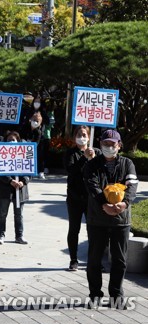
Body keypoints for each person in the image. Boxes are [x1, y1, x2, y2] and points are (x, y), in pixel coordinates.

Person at [83, 129, 138, 309]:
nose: (108, 147)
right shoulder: (92, 165)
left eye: (112, 144)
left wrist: (125, 203)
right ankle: (95, 295)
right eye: (105, 144)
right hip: (97, 219)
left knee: (120, 260)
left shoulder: (127, 164)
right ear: (100, 144)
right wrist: (104, 205)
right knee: (94, 259)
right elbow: (92, 185)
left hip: (121, 220)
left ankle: (116, 295)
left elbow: (132, 185)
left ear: (119, 146)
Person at [64, 126, 100, 271]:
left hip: (91, 198)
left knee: (94, 230)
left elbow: (101, 171)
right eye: (79, 134)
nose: (82, 137)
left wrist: (93, 158)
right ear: (74, 137)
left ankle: (95, 260)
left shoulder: (96, 152)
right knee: (74, 229)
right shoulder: (70, 153)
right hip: (74, 198)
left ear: (89, 136)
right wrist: (84, 157)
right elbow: (71, 171)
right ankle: (73, 259)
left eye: (84, 134)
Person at [0, 131, 30, 245]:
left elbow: (29, 170)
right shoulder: (1, 153)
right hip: (5, 189)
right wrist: (10, 181)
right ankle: (1, 235)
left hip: (19, 190)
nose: (11, 142)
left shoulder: (24, 153)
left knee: (19, 214)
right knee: (2, 213)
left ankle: (19, 235)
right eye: (9, 139)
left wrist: (23, 181)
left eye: (14, 139)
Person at [20, 111, 45, 179]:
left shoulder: (38, 132)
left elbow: (37, 142)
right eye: (34, 120)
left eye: (37, 121)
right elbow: (21, 136)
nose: (35, 122)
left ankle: (37, 172)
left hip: (33, 149)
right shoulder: (25, 127)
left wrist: (31, 145)